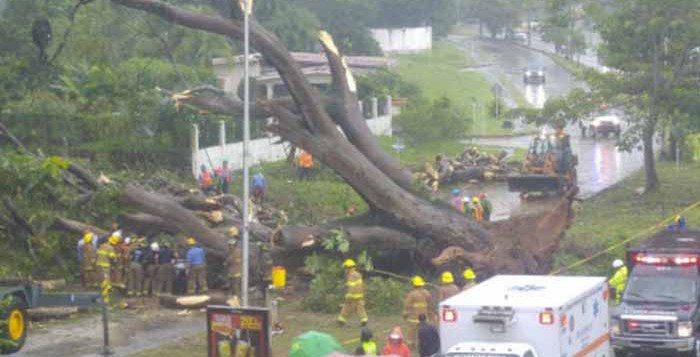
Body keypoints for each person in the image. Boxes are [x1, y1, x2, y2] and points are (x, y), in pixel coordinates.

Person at [337, 258, 368, 326]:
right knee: (360, 308)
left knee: (346, 307)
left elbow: (351, 287)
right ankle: (364, 320)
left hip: (352, 296)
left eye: (345, 268)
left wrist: (348, 296)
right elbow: (361, 286)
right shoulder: (358, 274)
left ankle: (341, 320)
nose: (345, 270)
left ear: (349, 268)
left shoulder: (351, 275)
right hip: (359, 295)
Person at [403, 276, 432, 347]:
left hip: (413, 318)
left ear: (414, 285)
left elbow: (407, 305)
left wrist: (405, 314)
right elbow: (430, 304)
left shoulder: (411, 294)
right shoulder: (427, 293)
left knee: (411, 333)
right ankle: (423, 344)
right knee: (423, 332)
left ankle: (411, 345)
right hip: (424, 317)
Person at [224, 229, 242, 297]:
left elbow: (231, 260)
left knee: (235, 285)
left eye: (231, 245)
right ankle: (232, 295)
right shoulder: (230, 252)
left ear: (234, 245)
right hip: (231, 272)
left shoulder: (237, 252)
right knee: (231, 285)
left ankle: (236, 296)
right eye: (229, 245)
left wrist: (226, 262)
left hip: (236, 272)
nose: (230, 246)